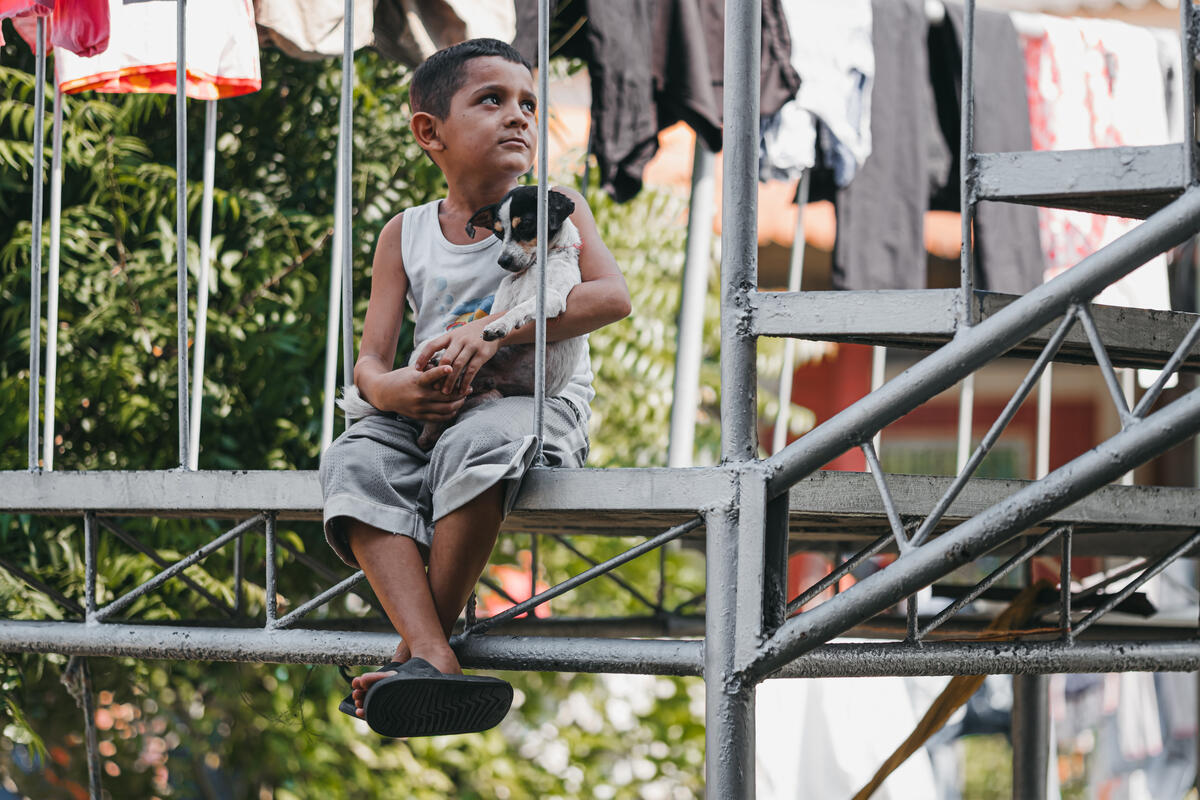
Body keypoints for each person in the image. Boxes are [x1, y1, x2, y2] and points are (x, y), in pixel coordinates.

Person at [319, 38, 631, 737]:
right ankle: (429, 654)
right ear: (430, 131)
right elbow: (370, 363)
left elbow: (611, 299)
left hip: (532, 407)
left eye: (527, 103)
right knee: (351, 459)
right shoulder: (405, 234)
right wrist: (397, 391)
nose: (518, 116)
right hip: (430, 408)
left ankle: (419, 652)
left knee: (480, 438)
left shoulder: (558, 206)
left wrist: (493, 330)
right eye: (491, 100)